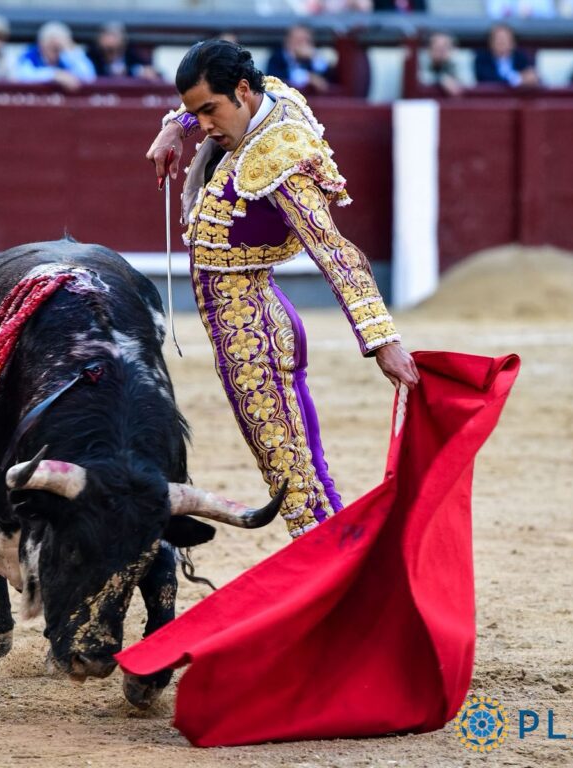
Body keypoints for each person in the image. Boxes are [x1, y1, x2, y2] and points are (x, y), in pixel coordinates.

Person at [144, 41, 419, 538]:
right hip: (258, 317)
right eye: (195, 113)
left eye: (209, 111)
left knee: (297, 488)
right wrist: (175, 125)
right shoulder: (269, 95)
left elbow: (334, 251)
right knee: (304, 475)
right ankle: (341, 565)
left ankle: (337, 573)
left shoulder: (281, 158)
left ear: (242, 91)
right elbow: (229, 97)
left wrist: (383, 341)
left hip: (252, 332)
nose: (204, 125)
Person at [16, 21, 96, 91]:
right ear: (41, 44)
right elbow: (23, 76)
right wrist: (55, 75)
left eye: (58, 47)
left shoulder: (68, 57)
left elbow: (88, 76)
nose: (55, 48)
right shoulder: (29, 55)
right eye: (50, 44)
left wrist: (69, 51)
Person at [265, 25, 332, 93]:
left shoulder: (313, 59)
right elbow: (273, 78)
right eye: (298, 40)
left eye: (306, 40)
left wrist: (314, 58)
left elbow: (329, 77)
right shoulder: (277, 57)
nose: (302, 44)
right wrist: (308, 77)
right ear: (288, 41)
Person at [87, 22, 160, 81]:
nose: (110, 42)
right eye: (107, 49)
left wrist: (145, 73)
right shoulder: (91, 58)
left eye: (114, 36)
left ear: (123, 42)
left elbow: (151, 72)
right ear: (99, 42)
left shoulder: (132, 57)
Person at [474, 23, 539, 87]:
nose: (501, 42)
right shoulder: (482, 59)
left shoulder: (521, 58)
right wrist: (516, 79)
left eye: (505, 39)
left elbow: (530, 77)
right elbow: (487, 80)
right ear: (490, 42)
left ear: (513, 43)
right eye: (498, 39)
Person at [420, 31, 464, 96]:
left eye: (446, 47)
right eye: (437, 48)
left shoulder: (459, 59)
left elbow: (468, 82)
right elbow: (422, 79)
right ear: (428, 49)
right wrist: (442, 79)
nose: (441, 52)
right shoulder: (421, 60)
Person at [486, 0, 556, 17]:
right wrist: (505, 12)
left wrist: (533, 11)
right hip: (507, 33)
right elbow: (491, 13)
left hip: (535, 35)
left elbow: (550, 15)